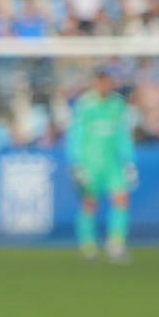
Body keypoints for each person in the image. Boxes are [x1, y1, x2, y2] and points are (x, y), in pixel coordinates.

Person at [66, 64, 138, 263]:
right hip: (91, 163)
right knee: (89, 203)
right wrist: (76, 163)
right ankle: (88, 245)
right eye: (101, 82)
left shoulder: (117, 104)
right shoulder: (85, 104)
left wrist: (129, 161)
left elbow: (123, 135)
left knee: (121, 200)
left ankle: (116, 243)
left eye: (107, 82)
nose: (104, 86)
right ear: (95, 83)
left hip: (113, 163)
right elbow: (76, 135)